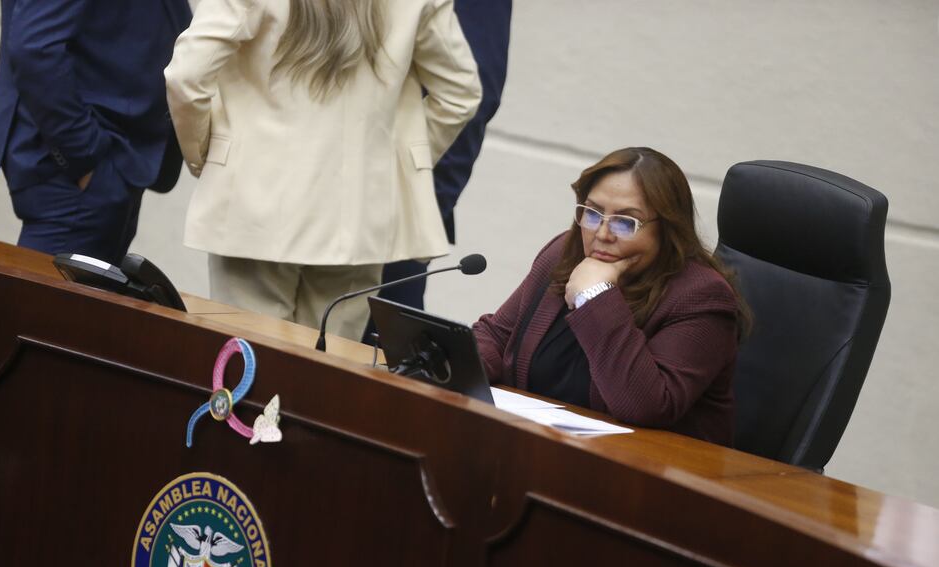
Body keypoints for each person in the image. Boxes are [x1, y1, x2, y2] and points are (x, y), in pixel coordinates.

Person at [165, 0, 482, 341]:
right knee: (330, 378)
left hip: (253, 206)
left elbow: (187, 76)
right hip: (359, 214)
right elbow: (459, 94)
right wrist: (391, 172)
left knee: (253, 372)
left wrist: (205, 154)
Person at [473, 147, 750, 445]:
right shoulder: (564, 254)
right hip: (543, 451)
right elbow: (498, 335)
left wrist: (595, 296)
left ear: (668, 229)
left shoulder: (700, 297)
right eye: (592, 214)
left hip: (650, 473)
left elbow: (646, 405)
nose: (602, 233)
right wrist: (445, 363)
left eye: (625, 222)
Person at [0, 0, 193, 265]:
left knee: (70, 304)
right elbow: (35, 47)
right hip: (80, 172)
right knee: (43, 304)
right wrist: (86, 158)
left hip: (113, 165)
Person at [374, 0, 513, 315]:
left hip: (392, 216)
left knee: (369, 351)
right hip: (298, 198)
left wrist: (415, 196)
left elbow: (469, 95)